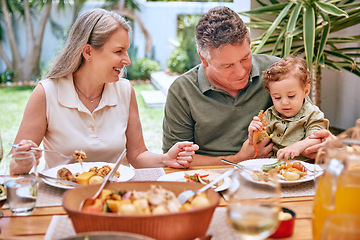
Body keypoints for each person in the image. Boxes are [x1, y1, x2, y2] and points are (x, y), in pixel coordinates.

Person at [10, 8, 198, 175]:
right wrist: (23, 160)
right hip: (61, 198)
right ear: (88, 52)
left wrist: (165, 159)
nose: (127, 60)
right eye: (118, 51)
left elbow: (137, 155)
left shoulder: (125, 91)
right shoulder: (46, 93)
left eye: (126, 51)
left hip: (115, 197)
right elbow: (15, 167)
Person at [162, 6, 332, 166]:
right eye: (227, 66)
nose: (240, 72)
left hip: (273, 174)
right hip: (210, 177)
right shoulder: (182, 90)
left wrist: (321, 144)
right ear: (204, 59)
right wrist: (239, 159)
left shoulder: (277, 73)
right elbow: (177, 159)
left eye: (245, 58)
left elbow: (309, 120)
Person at [248, 56, 329, 161]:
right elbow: (259, 141)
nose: (284, 102)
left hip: (304, 169)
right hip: (275, 168)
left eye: (291, 96)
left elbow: (318, 139)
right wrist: (253, 133)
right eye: (277, 97)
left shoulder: (312, 114)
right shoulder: (270, 115)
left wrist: (297, 147)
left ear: (305, 91)